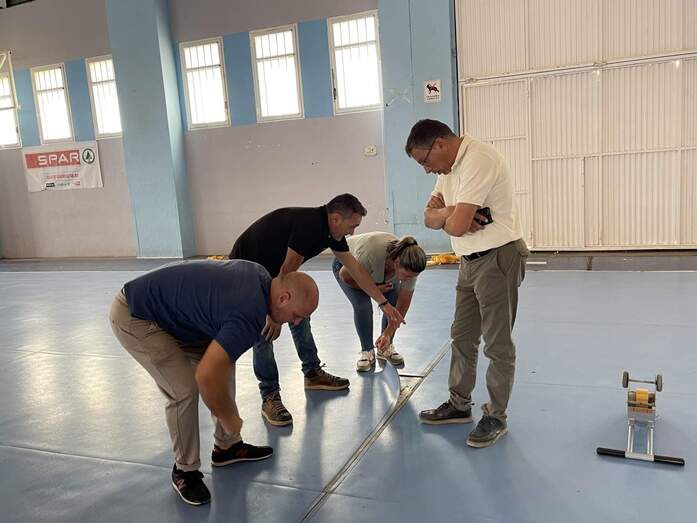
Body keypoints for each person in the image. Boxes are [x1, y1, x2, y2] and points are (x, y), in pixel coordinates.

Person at [109, 259, 319, 505]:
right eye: (297, 316)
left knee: (224, 362)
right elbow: (206, 377)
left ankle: (227, 447)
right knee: (183, 389)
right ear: (283, 298)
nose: (296, 323)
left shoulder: (261, 276)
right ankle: (184, 471)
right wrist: (228, 417)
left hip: (177, 316)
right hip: (137, 315)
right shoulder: (249, 313)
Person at [229, 193, 405, 426]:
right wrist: (274, 317)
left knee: (300, 312)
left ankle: (312, 372)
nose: (352, 232)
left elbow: (355, 269)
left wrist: (383, 303)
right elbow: (288, 272)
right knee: (265, 332)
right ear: (336, 219)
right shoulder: (310, 225)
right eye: (352, 226)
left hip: (275, 272)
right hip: (246, 272)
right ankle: (269, 395)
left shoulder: (330, 231)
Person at [405, 119, 529, 448]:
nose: (427, 170)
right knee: (462, 336)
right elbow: (430, 218)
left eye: (425, 161)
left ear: (440, 144)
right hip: (468, 261)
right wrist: (453, 211)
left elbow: (457, 226)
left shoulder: (478, 159)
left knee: (497, 343)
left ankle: (496, 415)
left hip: (497, 258)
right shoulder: (447, 169)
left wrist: (451, 217)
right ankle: (459, 404)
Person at [332, 232, 426, 371]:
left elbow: (402, 305)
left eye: (412, 277)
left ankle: (385, 346)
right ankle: (367, 351)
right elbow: (346, 277)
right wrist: (375, 290)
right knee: (363, 305)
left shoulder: (410, 267)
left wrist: (388, 333)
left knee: (393, 300)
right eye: (406, 276)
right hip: (346, 267)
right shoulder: (372, 253)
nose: (408, 280)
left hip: (375, 271)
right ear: (397, 263)